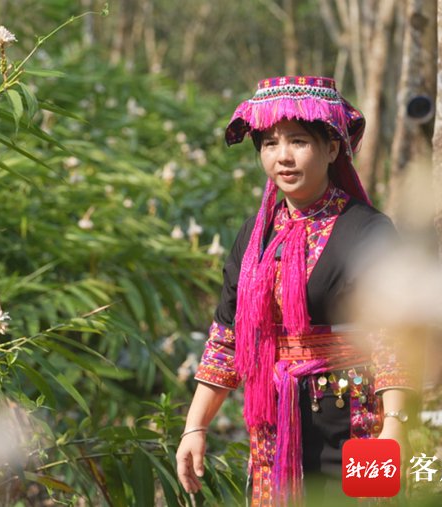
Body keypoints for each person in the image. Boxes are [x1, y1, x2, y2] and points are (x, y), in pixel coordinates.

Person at [175, 76, 415, 506]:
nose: (282, 157)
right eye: (269, 144)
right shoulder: (255, 236)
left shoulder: (368, 230)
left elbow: (392, 336)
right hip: (274, 424)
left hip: (356, 421)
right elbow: (227, 339)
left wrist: (394, 425)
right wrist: (196, 426)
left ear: (332, 148)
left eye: (299, 142)